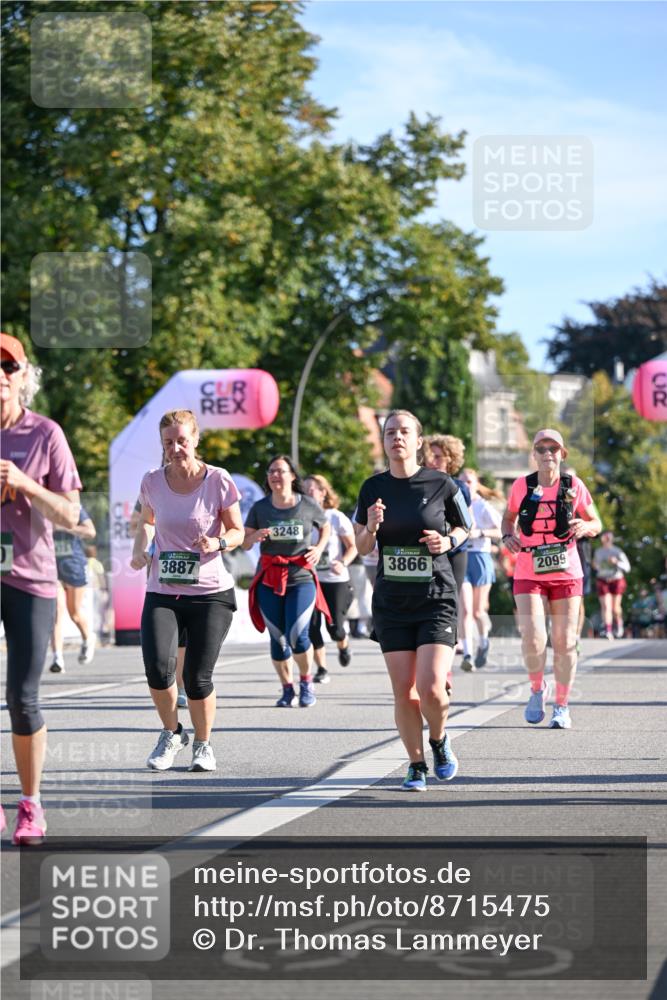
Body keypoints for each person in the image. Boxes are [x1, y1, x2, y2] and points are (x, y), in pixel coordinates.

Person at [354, 409, 471, 791]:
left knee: (433, 686)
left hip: (436, 596)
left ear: (418, 441)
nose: (397, 438)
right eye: (390, 432)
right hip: (393, 601)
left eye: (405, 432)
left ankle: (438, 739)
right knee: (404, 692)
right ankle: (416, 764)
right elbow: (361, 546)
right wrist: (371, 526)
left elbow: (465, 527)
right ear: (384, 440)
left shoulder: (442, 483)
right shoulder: (372, 488)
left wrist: (448, 541)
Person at [0, 332, 82, 845]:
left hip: (29, 577)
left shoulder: (45, 434)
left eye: (8, 369)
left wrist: (27, 485)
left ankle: (30, 803)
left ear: (23, 378)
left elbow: (72, 514)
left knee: (22, 698)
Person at [130, 409, 243, 772]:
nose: (176, 448)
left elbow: (238, 531)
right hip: (162, 589)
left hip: (210, 593)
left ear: (195, 440)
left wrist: (219, 543)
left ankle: (203, 744)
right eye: (168, 443)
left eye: (182, 440)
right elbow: (147, 523)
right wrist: (140, 548)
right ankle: (172, 732)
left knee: (196, 677)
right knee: (157, 671)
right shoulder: (152, 481)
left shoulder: (218, 480)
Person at [501, 429, 601, 730]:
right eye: (541, 449)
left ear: (562, 454)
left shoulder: (574, 485)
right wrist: (508, 535)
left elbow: (596, 521)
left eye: (553, 449)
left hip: (566, 571)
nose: (547, 454)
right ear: (534, 453)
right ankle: (536, 690)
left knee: (565, 641)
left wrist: (586, 526)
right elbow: (508, 517)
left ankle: (562, 705)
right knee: (533, 638)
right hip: (529, 569)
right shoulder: (522, 486)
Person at [244, 456, 330, 708]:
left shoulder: (308, 504)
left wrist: (319, 547)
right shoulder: (260, 508)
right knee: (278, 637)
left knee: (298, 635)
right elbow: (245, 540)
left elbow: (325, 527)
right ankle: (286, 688)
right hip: (269, 577)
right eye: (271, 471)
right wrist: (255, 536)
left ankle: (306, 681)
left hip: (301, 576)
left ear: (293, 476)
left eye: (280, 471)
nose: (275, 476)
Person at [423, 434, 473, 682]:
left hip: (454, 554)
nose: (432, 461)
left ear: (450, 460)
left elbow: (466, 523)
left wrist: (449, 539)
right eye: (429, 455)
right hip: (427, 556)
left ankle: (446, 669)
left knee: (448, 607)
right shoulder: (418, 483)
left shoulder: (460, 487)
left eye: (438, 457)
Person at [304, 474, 356, 683]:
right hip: (310, 579)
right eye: (304, 491)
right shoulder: (302, 517)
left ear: (323, 492)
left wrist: (342, 562)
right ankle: (322, 669)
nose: (308, 494)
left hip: (335, 580)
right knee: (312, 626)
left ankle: (343, 644)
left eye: (312, 490)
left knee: (334, 628)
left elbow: (353, 548)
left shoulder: (335, 517)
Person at [458, 468, 503, 670]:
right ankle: (467, 653)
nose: (466, 485)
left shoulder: (483, 506)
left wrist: (480, 533)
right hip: (461, 558)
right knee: (465, 610)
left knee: (477, 611)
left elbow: (503, 530)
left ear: (476, 484)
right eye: (462, 481)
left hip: (481, 558)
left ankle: (483, 642)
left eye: (469, 481)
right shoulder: (455, 505)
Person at [49, 505, 97, 672]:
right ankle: (57, 659)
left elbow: (90, 531)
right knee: (55, 612)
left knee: (74, 613)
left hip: (74, 565)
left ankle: (88, 638)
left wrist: (64, 527)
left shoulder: (73, 507)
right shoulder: (40, 505)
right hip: (51, 566)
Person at [593, 530, 631, 639]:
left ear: (612, 539)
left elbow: (627, 568)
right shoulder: (598, 552)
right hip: (603, 579)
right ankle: (608, 630)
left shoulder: (618, 551)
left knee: (615, 607)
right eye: (604, 537)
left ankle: (619, 624)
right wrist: (595, 566)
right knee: (605, 606)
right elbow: (596, 566)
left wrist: (616, 562)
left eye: (608, 537)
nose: (606, 539)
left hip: (616, 579)